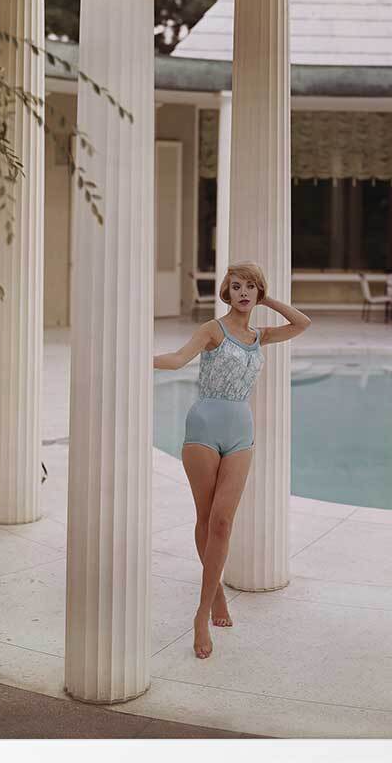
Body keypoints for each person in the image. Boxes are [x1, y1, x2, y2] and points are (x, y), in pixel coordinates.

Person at [153, 261, 311, 658]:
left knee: (223, 522)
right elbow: (178, 358)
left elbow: (302, 323)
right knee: (207, 519)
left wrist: (268, 298)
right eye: (237, 286)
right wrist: (135, 358)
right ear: (226, 291)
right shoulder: (213, 329)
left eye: (250, 287)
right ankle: (207, 607)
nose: (243, 293)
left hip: (241, 432)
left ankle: (207, 599)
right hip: (204, 427)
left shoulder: (260, 336)